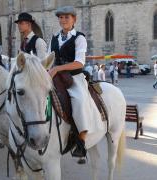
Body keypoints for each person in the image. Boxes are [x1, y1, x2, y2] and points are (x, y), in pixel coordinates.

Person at [48, 6, 104, 157]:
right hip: (55, 75)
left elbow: (79, 63)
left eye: (67, 17)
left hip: (74, 77)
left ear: (74, 19)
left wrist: (57, 68)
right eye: (61, 17)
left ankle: (81, 140)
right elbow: (49, 59)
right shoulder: (54, 37)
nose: (63, 20)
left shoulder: (79, 38)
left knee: (79, 100)